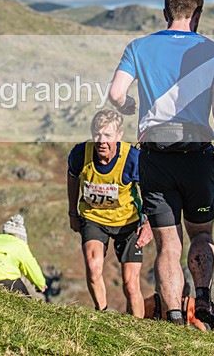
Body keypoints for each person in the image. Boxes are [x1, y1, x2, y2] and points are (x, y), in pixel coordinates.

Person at [108, 0, 214, 329]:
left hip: (155, 155)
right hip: (196, 154)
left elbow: (116, 94)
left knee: (168, 244)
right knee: (202, 235)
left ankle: (175, 317)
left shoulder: (139, 47)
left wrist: (127, 106)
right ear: (198, 13)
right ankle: (203, 299)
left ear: (165, 12)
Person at [66, 109, 152, 316]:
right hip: (93, 218)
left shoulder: (132, 158)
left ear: (119, 135)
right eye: (97, 134)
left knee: (131, 284)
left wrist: (148, 223)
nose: (101, 141)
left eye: (107, 135)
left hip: (128, 222)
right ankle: (102, 314)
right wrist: (72, 213)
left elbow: (151, 190)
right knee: (93, 266)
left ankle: (137, 328)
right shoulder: (81, 154)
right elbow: (72, 177)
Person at [0, 215, 47, 295]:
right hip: (5, 278)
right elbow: (30, 264)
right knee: (25, 301)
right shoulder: (19, 244)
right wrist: (40, 284)